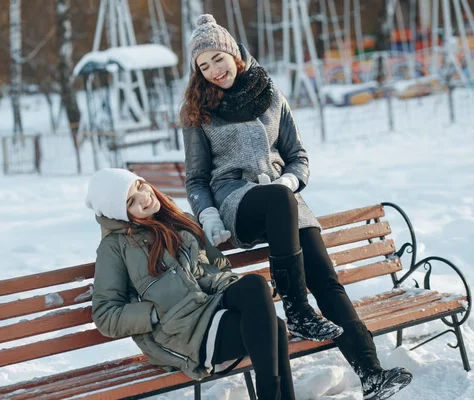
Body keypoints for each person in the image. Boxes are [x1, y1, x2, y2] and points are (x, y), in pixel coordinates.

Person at [181, 14, 412, 400]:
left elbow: (297, 156)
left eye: (216, 59)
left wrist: (288, 182)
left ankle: (371, 372)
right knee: (276, 201)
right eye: (203, 66)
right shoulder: (199, 111)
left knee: (326, 279)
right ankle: (298, 309)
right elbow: (196, 179)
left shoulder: (270, 95)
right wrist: (206, 213)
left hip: (285, 200)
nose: (212, 71)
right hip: (238, 201)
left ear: (233, 53)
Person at [86, 168, 297, 400]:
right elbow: (106, 315)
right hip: (181, 334)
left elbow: (217, 268)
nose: (144, 197)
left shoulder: (180, 220)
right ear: (120, 214)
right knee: (272, 329)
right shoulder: (115, 247)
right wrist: (155, 314)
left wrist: (223, 287)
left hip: (208, 308)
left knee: (257, 289)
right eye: (130, 201)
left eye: (140, 185)